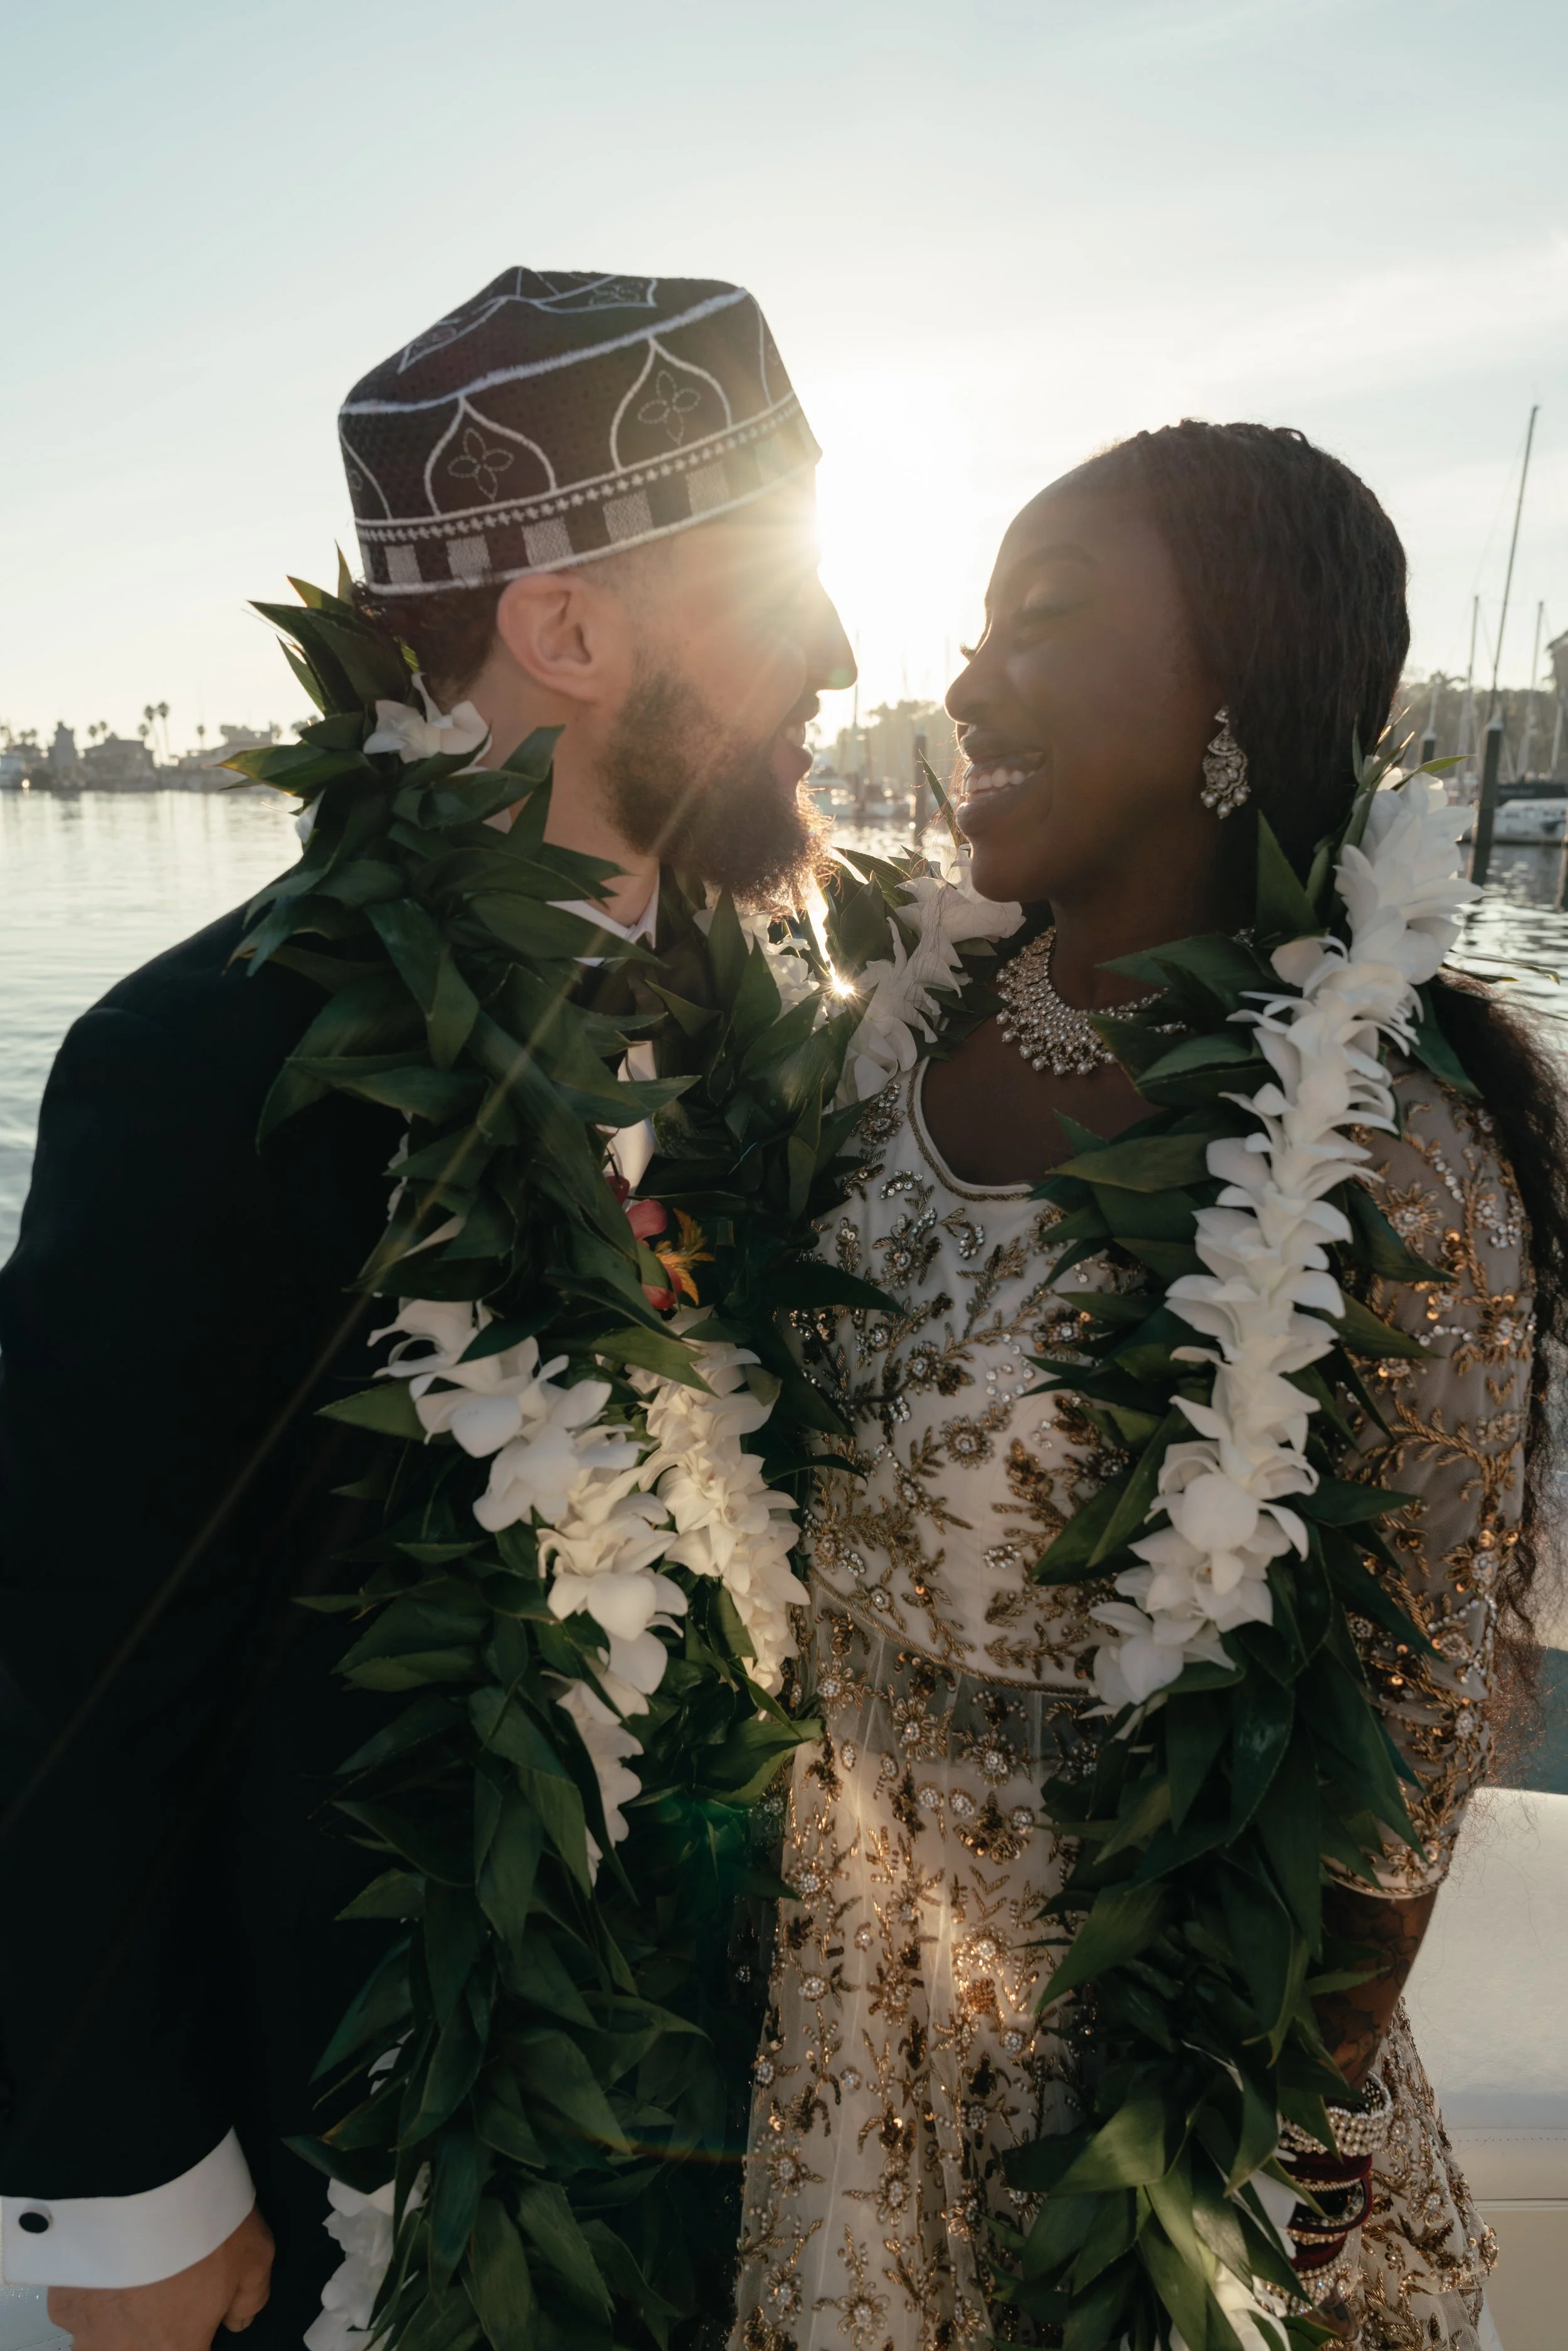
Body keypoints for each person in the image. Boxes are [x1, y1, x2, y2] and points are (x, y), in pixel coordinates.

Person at [0, 268, 852, 2351]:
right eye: (770, 586)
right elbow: (59, 1667)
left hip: (717, 2128)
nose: (834, 650)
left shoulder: (759, 1028)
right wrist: (130, 2197)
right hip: (369, 2179)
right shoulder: (213, 1066)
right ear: (565, 629)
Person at [730, 422, 1564, 2350]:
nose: (966, 686)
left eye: (1043, 622)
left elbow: (1417, 1713)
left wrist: (1271, 2140)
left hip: (1155, 2037)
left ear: (1227, 694)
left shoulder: (1391, 1142)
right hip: (842, 1967)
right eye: (975, 628)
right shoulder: (881, 1033)